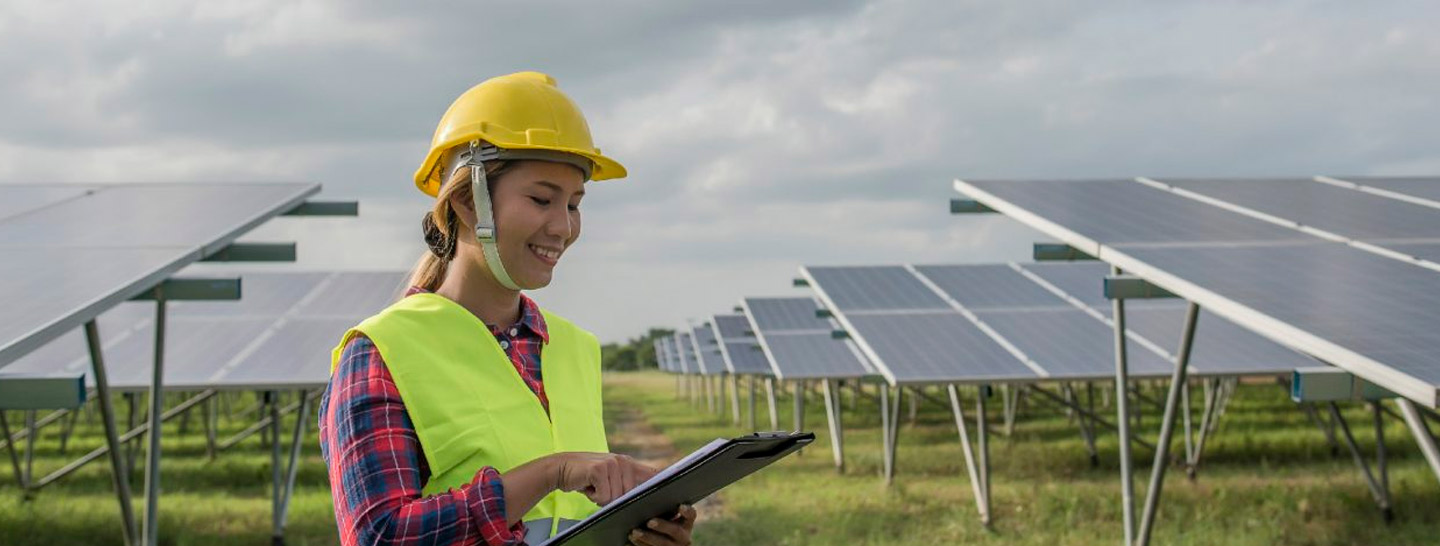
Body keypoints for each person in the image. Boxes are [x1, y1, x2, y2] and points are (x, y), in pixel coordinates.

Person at [319, 71, 697, 546]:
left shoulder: (572, 348)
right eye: (541, 199)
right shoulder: (382, 353)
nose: (563, 227)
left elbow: (567, 522)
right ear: (467, 201)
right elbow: (379, 536)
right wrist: (548, 473)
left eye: (575, 204)